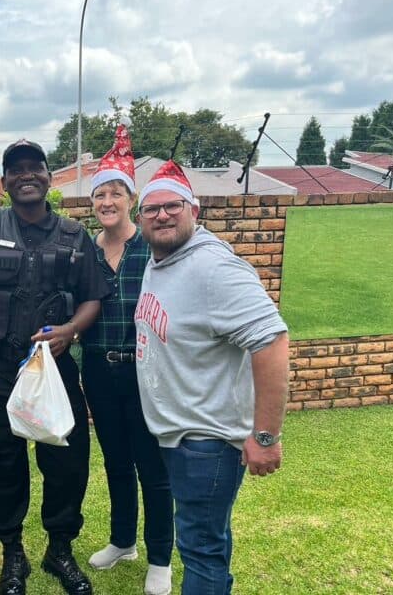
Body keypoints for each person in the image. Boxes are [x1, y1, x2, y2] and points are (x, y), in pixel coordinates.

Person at [0, 139, 110, 595]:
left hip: (55, 375)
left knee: (66, 462)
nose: (27, 175)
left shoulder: (73, 235)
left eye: (34, 167)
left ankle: (59, 549)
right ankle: (13, 555)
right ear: (3, 182)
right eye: (15, 169)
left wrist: (70, 331)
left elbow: (93, 296)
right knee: (6, 467)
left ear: (46, 176)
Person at [134, 160, 289, 594]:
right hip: (180, 436)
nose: (162, 215)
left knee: (200, 550)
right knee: (207, 544)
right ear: (140, 217)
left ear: (194, 210)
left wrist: (265, 436)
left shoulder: (214, 268)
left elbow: (272, 342)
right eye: (151, 209)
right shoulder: (161, 258)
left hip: (207, 442)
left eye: (173, 206)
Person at [80, 125, 174, 595]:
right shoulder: (86, 250)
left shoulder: (154, 246)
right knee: (115, 460)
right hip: (98, 366)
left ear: (131, 199)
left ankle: (160, 556)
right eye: (100, 195)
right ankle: (123, 541)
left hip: (145, 369)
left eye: (116, 193)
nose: (107, 202)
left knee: (151, 466)